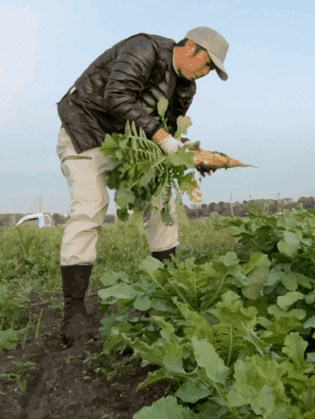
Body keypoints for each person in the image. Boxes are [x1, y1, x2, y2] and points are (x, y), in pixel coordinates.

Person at [55, 27, 230, 346]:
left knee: (162, 201)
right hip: (87, 132)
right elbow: (117, 96)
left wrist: (190, 151)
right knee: (90, 208)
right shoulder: (144, 48)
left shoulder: (186, 88)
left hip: (132, 145)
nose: (205, 74)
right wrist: (166, 140)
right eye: (206, 65)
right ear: (189, 47)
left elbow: (168, 130)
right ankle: (75, 312)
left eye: (211, 71)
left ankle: (165, 290)